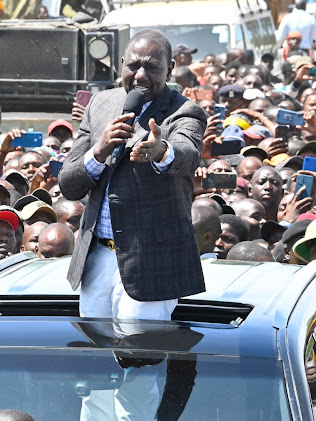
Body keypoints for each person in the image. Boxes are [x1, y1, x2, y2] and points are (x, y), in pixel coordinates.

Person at [59, 28, 205, 321]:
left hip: (151, 263)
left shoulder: (185, 111)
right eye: (133, 66)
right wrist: (98, 152)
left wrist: (161, 151)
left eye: (152, 68)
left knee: (140, 360)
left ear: (170, 69)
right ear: (121, 63)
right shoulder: (100, 105)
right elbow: (69, 183)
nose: (140, 76)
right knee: (96, 356)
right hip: (96, 256)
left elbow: (187, 152)